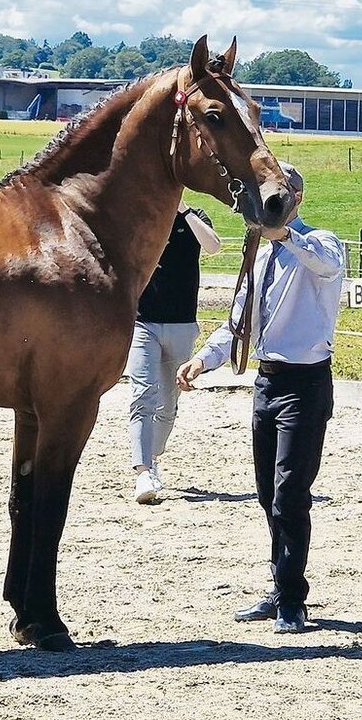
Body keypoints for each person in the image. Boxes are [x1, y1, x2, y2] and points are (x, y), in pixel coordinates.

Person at [177, 162, 345, 634]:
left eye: (283, 193)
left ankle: (293, 598)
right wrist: (205, 360)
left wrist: (283, 234)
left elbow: (327, 265)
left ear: (299, 199)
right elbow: (239, 321)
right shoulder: (255, 256)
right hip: (267, 383)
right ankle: (279, 586)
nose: (273, 200)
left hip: (306, 383)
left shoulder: (321, 242)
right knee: (269, 494)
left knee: (291, 493)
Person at [127, 197, 221, 503]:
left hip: (182, 323)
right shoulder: (143, 215)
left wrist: (184, 212)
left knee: (169, 403)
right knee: (143, 394)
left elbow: (213, 246)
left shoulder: (195, 217)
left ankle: (152, 458)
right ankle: (142, 471)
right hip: (144, 323)